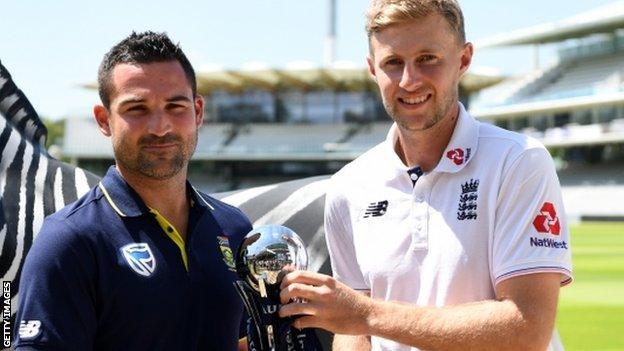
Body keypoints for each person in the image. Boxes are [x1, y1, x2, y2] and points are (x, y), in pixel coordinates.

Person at [279, 1, 572, 350]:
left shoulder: (518, 161)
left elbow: (527, 330)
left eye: (427, 59)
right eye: (393, 63)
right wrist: (357, 320)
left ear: (463, 60)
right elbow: (354, 332)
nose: (409, 80)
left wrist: (366, 314)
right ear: (373, 69)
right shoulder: (349, 185)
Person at [14, 32, 252, 350]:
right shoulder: (69, 240)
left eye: (175, 106)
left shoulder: (235, 228)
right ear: (104, 119)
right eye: (137, 108)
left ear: (198, 112)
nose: (160, 126)